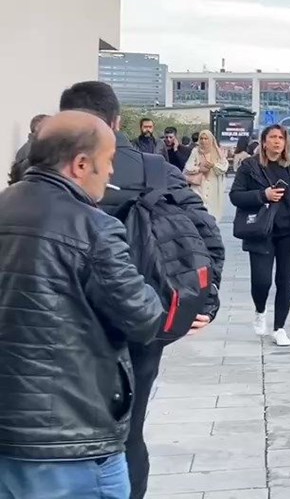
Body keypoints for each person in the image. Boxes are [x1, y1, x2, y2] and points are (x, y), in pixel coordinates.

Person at [57, 81, 223, 499]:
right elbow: (205, 238)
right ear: (116, 121)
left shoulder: (39, 171)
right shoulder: (154, 168)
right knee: (130, 430)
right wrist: (204, 301)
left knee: (60, 433)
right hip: (144, 315)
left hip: (65, 318)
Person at [0, 111, 165, 499]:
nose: (110, 174)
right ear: (80, 164)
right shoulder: (94, 226)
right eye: (108, 161)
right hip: (69, 437)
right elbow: (143, 317)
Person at [230, 124, 290, 346]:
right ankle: (260, 310)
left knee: (285, 282)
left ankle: (280, 328)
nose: (277, 141)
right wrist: (263, 195)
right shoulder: (250, 166)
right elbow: (236, 196)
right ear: (264, 141)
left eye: (281, 137)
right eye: (273, 137)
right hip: (261, 232)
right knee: (262, 281)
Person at [184, 129, 229, 218]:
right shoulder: (195, 151)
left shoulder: (217, 151)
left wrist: (213, 166)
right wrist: (199, 169)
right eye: (201, 138)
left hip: (213, 185)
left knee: (212, 212)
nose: (203, 141)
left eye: (206, 138)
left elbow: (224, 166)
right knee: (199, 210)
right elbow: (188, 167)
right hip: (199, 185)